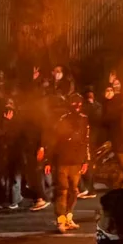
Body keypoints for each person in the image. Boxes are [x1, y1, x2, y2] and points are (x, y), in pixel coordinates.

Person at [47, 93, 90, 234]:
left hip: (76, 162)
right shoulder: (61, 120)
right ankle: (61, 220)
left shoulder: (84, 120)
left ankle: (68, 217)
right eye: (74, 103)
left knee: (74, 190)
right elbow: (53, 141)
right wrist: (49, 160)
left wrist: (86, 160)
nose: (77, 106)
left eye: (79, 103)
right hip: (62, 161)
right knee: (62, 190)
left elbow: (86, 141)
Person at [0, 106, 21, 209]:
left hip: (12, 155)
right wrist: (6, 121)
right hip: (1, 155)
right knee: (1, 179)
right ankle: (2, 201)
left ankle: (13, 200)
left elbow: (15, 137)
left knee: (12, 179)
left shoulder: (16, 125)